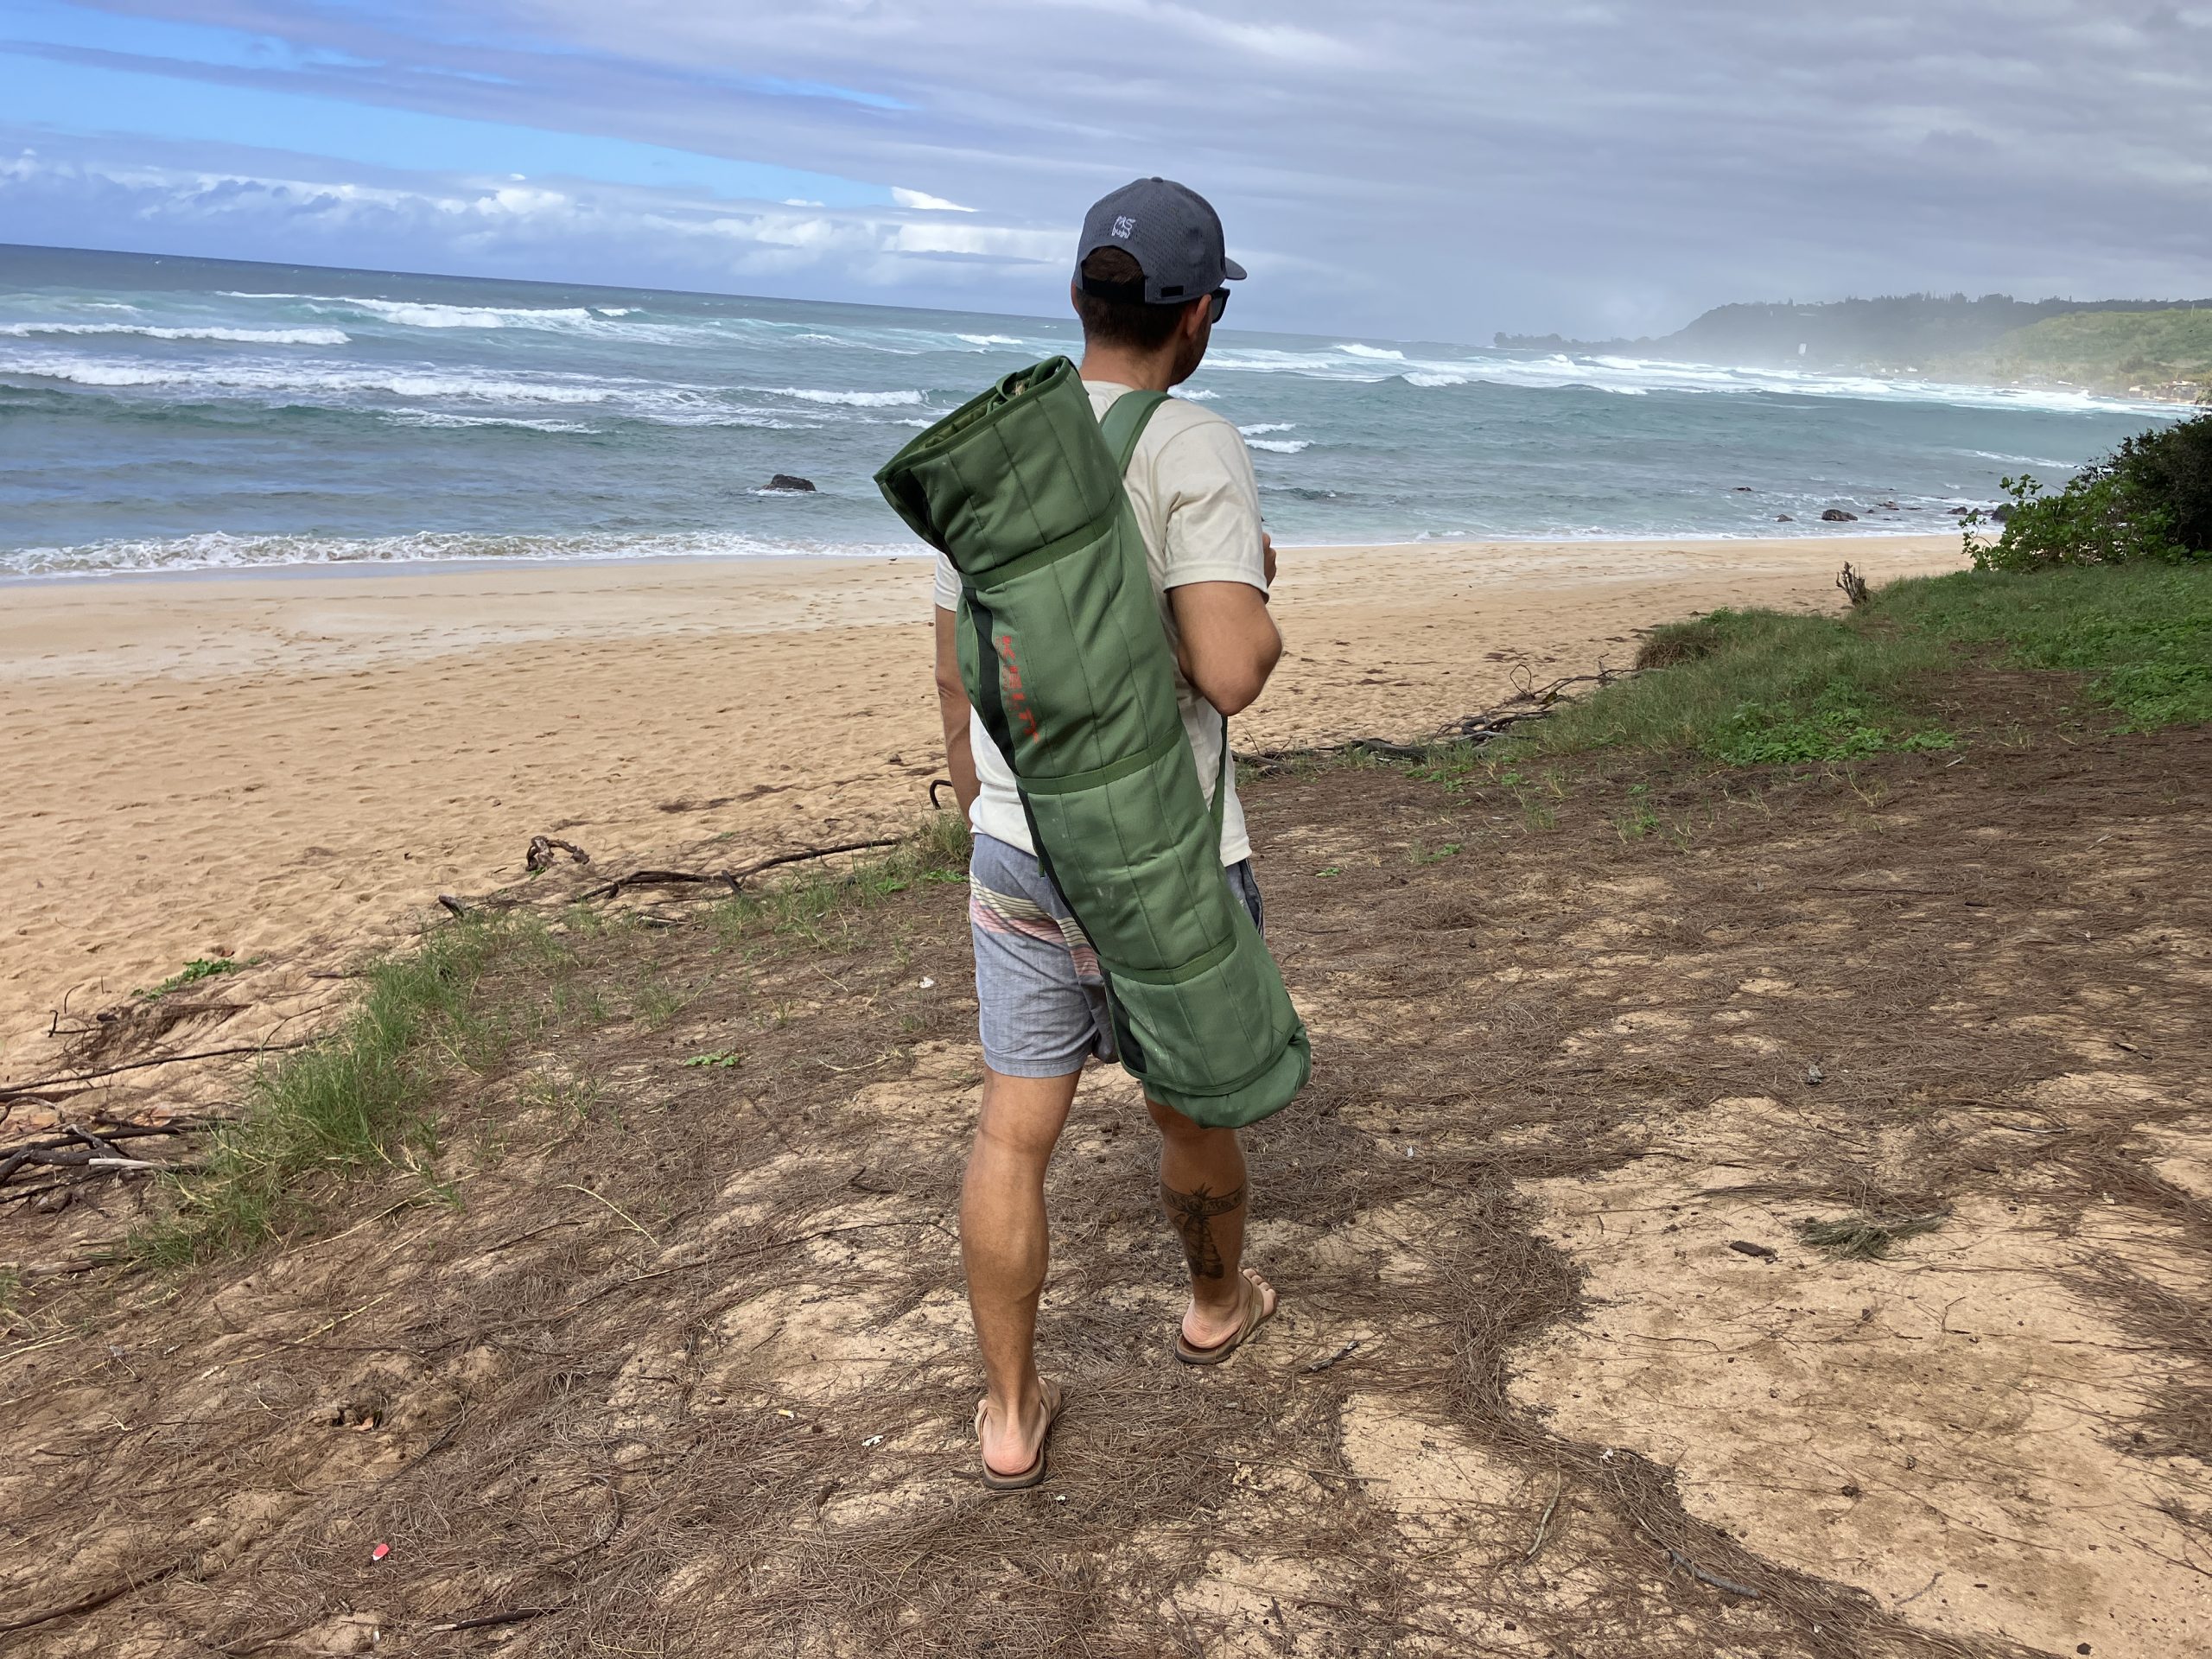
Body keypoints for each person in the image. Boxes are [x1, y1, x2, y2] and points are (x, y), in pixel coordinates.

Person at [930, 178, 1286, 1491]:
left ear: (1080, 295)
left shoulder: (999, 451)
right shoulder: (1190, 443)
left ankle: (1012, 1415)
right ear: (1200, 317)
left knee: (1014, 1132)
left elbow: (958, 656)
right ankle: (1213, 1305)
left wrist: (971, 794)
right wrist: (1268, 596)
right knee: (1189, 1111)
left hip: (1021, 842)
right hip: (1168, 854)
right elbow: (1232, 670)